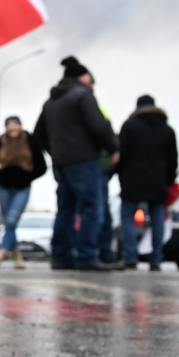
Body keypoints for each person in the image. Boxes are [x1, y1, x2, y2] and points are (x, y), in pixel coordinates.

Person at [32, 56, 120, 271]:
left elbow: (38, 135)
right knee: (92, 209)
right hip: (83, 161)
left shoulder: (51, 101)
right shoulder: (83, 95)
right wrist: (113, 148)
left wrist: (55, 152)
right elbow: (99, 126)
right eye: (90, 80)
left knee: (65, 210)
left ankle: (61, 257)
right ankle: (86, 256)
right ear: (82, 77)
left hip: (61, 163)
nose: (92, 85)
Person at [112, 95, 177, 272]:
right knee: (157, 220)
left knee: (127, 217)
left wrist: (119, 174)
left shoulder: (130, 126)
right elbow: (173, 159)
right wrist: (169, 180)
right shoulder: (167, 130)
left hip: (132, 179)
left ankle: (130, 257)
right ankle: (156, 259)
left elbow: (121, 153)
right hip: (158, 181)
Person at [0, 116, 46, 268]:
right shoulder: (0, 142)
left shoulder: (30, 141)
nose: (12, 129)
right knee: (9, 223)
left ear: (20, 126)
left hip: (22, 187)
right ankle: (18, 257)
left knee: (11, 220)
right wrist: (0, 176)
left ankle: (1, 253)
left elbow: (42, 167)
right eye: (9, 126)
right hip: (4, 187)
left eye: (15, 125)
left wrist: (28, 176)